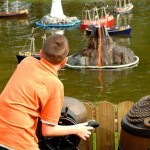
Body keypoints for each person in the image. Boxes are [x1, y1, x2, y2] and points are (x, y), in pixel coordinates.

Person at [0, 34, 93, 150]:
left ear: (40, 53)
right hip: (18, 142)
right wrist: (76, 129)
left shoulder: (26, 62)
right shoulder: (55, 85)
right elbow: (48, 130)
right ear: (64, 62)